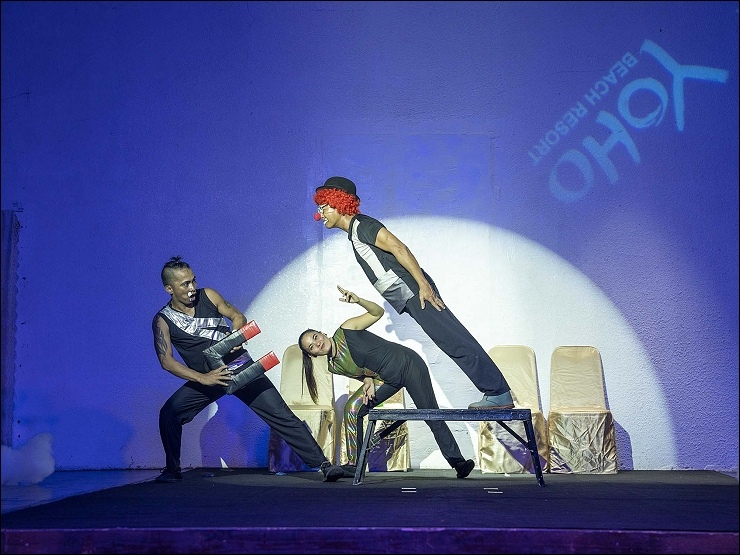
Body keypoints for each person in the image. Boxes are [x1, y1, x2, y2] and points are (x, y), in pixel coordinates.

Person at [312, 176, 514, 409]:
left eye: (323, 206)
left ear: (338, 203)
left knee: (454, 340)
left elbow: (399, 247)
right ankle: (496, 391)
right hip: (408, 295)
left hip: (416, 291)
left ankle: (498, 392)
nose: (320, 214)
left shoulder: (362, 225)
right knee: (450, 340)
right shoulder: (355, 232)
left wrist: (423, 286)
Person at [152, 256, 349, 483]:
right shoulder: (163, 320)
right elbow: (166, 361)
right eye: (185, 284)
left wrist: (237, 333)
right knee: (169, 413)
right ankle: (172, 470)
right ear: (169, 288)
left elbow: (237, 316)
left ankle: (324, 465)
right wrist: (203, 378)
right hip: (209, 377)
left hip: (240, 368)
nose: (192, 288)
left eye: (193, 281)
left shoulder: (209, 295)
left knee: (281, 414)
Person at [298, 285, 476, 479]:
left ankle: (458, 462)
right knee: (352, 409)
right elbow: (361, 370)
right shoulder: (334, 366)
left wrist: (359, 301)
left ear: (321, 333)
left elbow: (377, 312)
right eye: (312, 347)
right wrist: (367, 380)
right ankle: (355, 465)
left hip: (409, 365)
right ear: (312, 355)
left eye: (315, 337)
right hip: (386, 379)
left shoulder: (346, 329)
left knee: (430, 414)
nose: (317, 344)